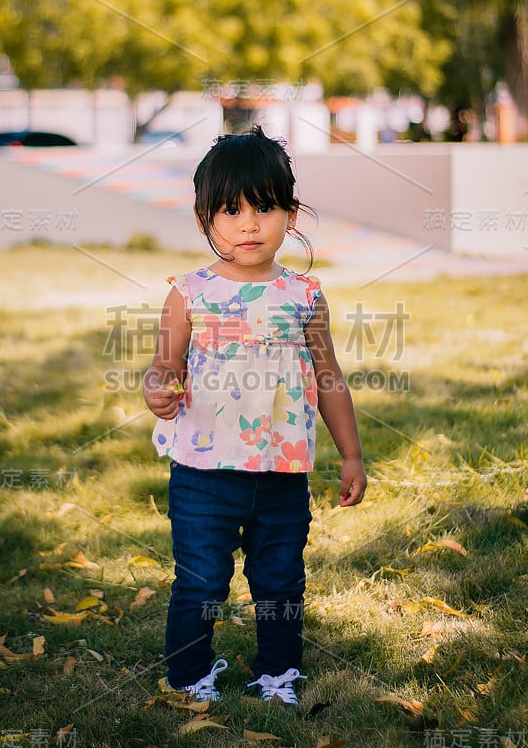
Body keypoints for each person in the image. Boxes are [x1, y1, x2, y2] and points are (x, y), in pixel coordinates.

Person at [143, 125, 367, 705]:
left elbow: (330, 377)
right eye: (231, 210)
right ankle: (190, 676)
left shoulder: (305, 294)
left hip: (281, 474)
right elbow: (163, 364)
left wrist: (351, 454)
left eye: (265, 207)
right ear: (204, 221)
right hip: (202, 471)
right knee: (200, 580)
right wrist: (160, 391)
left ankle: (277, 673)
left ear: (290, 213)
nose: (249, 224)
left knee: (280, 581)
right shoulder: (189, 293)